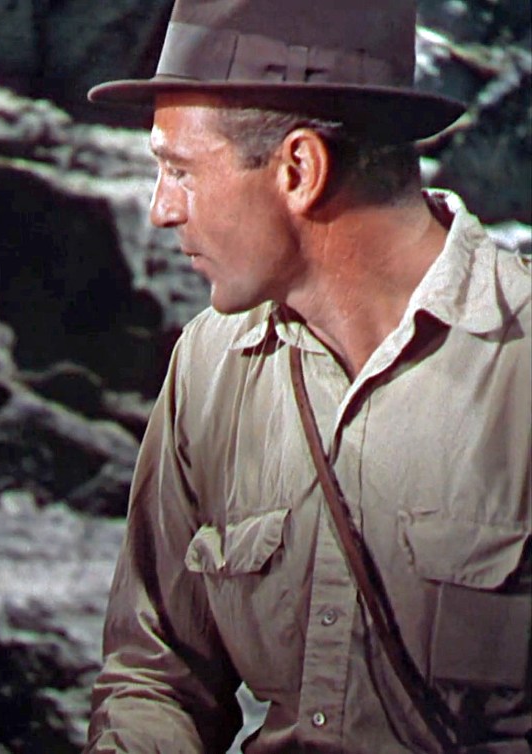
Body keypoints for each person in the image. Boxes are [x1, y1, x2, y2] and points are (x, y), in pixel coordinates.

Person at [82, 1, 531, 752]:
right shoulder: (208, 364)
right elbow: (157, 676)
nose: (161, 210)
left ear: (299, 170)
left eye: (179, 170)